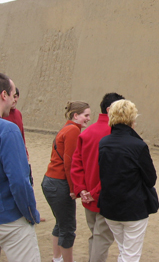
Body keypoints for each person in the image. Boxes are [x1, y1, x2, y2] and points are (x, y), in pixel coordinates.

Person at [98, 99, 157, 262]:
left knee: (124, 249)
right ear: (132, 118)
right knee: (131, 254)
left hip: (110, 207)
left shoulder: (104, 143)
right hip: (133, 208)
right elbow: (151, 179)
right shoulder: (137, 145)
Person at [71, 92, 125, 262]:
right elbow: (114, 171)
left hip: (89, 197)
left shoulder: (87, 133)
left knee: (95, 235)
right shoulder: (115, 134)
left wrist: (82, 189)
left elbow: (76, 164)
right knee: (102, 238)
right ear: (110, 110)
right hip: (104, 197)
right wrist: (92, 192)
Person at [42, 100, 91, 262]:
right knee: (68, 228)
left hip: (51, 181)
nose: (88, 119)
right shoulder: (72, 131)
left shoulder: (67, 128)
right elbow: (69, 162)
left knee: (61, 224)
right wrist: (73, 188)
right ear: (75, 115)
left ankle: (57, 258)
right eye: (86, 115)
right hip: (59, 183)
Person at [0, 73, 41, 261]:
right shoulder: (7, 131)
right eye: (13, 93)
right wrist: (31, 213)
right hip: (9, 217)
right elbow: (19, 180)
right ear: (4, 95)